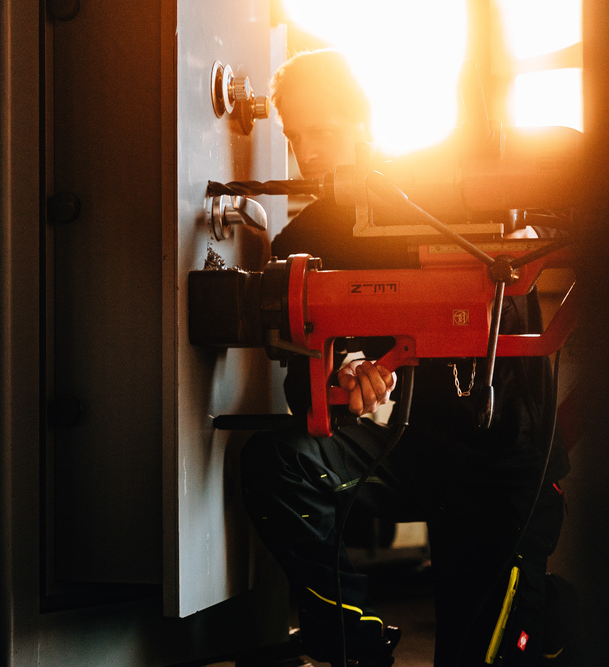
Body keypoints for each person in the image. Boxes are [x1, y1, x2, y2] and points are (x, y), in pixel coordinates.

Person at [240, 49, 573, 666]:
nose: (308, 153)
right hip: (407, 454)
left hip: (502, 472)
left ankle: (547, 612)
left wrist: (528, 221)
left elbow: (574, 186)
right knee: (275, 463)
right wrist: (338, 377)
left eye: (324, 133)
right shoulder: (301, 243)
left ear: (364, 124)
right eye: (294, 137)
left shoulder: (460, 195)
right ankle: (353, 642)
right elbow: (297, 383)